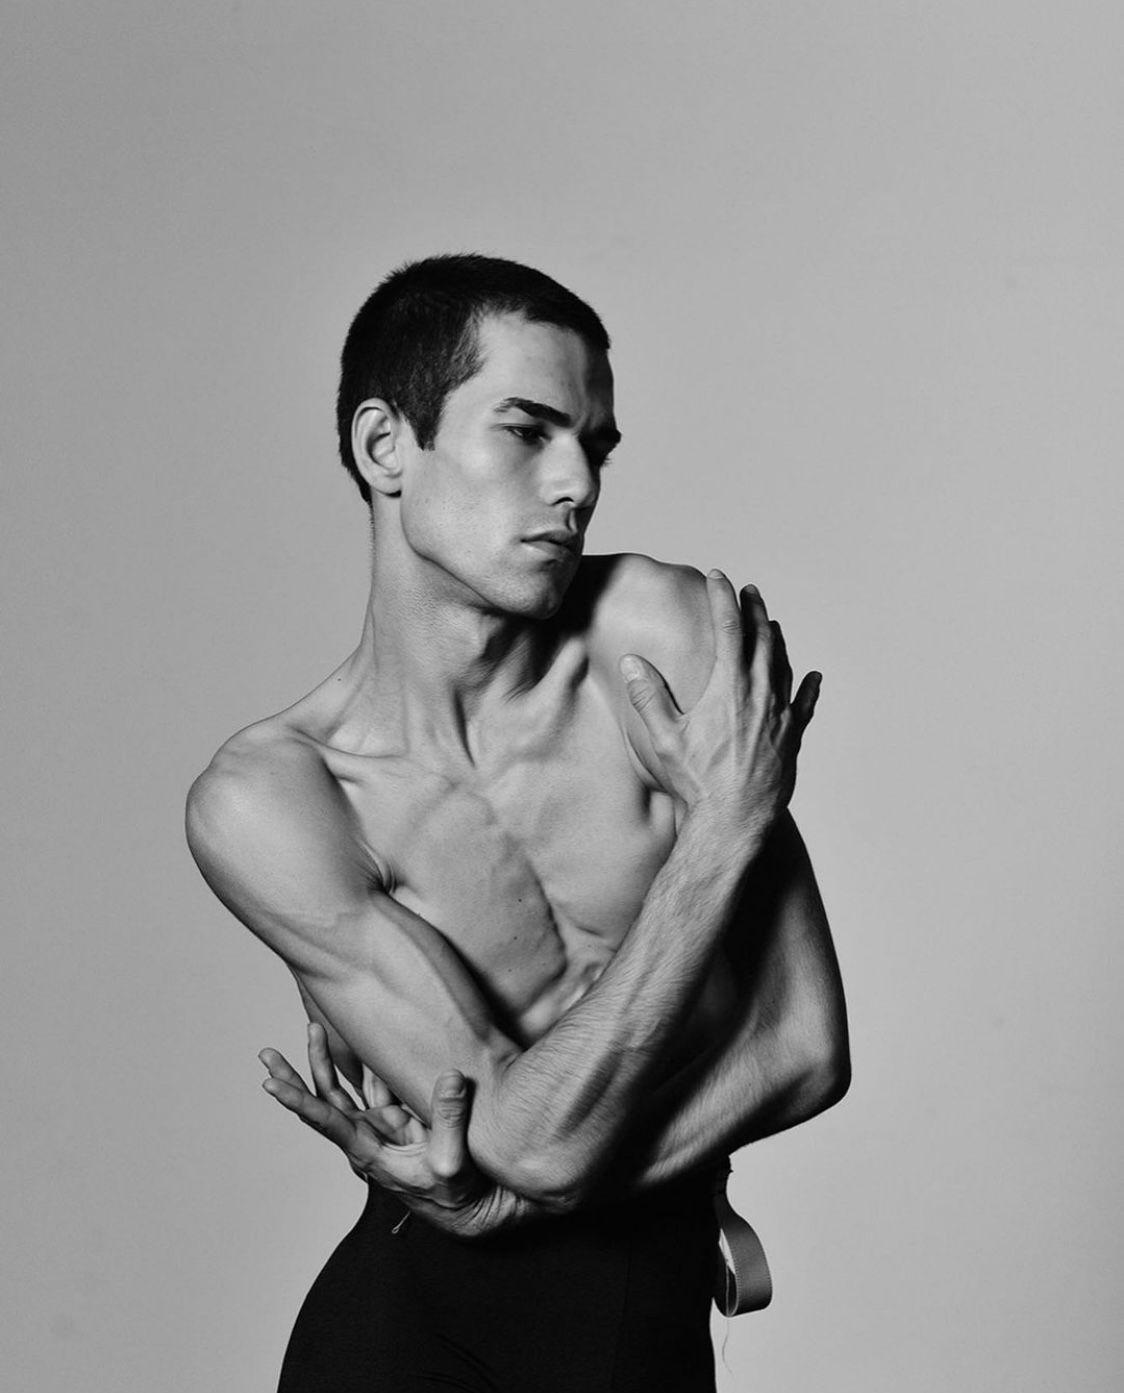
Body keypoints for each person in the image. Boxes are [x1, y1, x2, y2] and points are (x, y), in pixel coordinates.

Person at [186, 253, 850, 1392]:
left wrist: (532, 1182)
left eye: (591, 446)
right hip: (406, 1337)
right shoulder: (278, 797)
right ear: (384, 446)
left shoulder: (659, 632)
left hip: (642, 1328)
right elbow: (531, 1144)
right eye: (526, 431)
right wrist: (712, 844)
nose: (575, 483)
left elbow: (805, 1047)